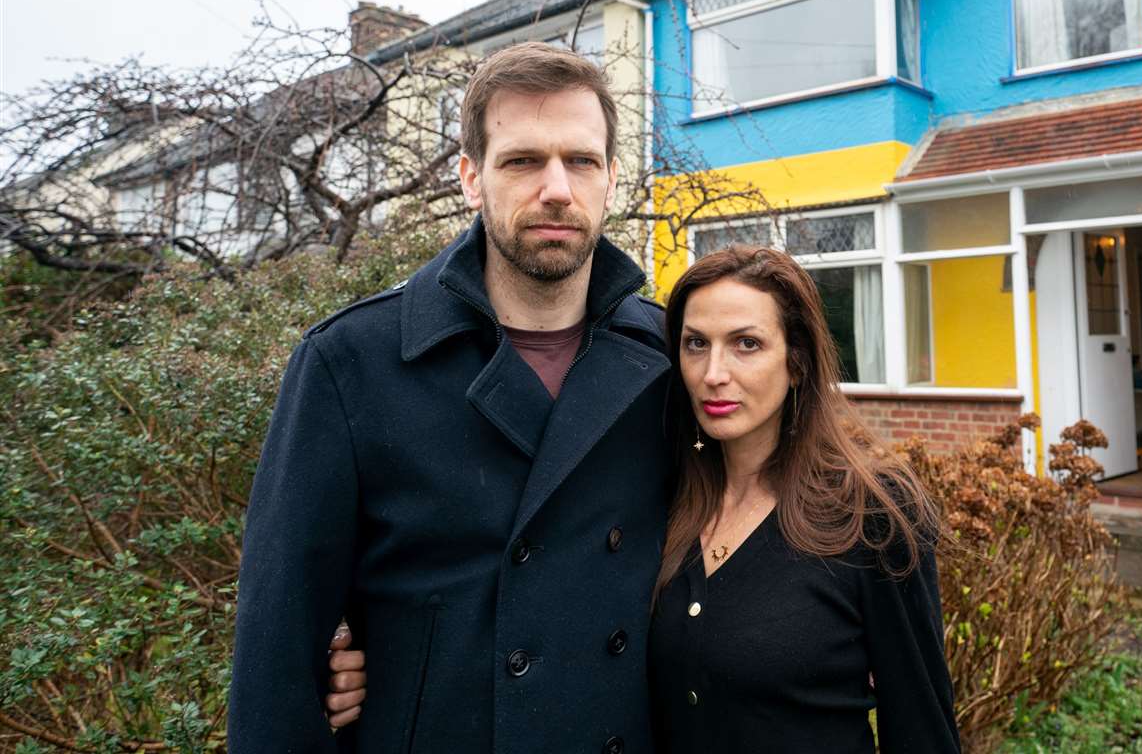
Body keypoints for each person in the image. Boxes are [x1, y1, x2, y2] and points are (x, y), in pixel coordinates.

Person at [329, 245, 962, 752]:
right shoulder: (668, 494)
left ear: (796, 361)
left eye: (747, 344)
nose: (714, 373)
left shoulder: (873, 513)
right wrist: (377, 653)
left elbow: (922, 724)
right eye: (695, 344)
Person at [229, 43, 673, 754]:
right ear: (471, 178)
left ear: (613, 180)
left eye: (582, 161)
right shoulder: (351, 362)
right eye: (523, 160)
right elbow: (278, 647)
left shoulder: (667, 354)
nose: (557, 188)